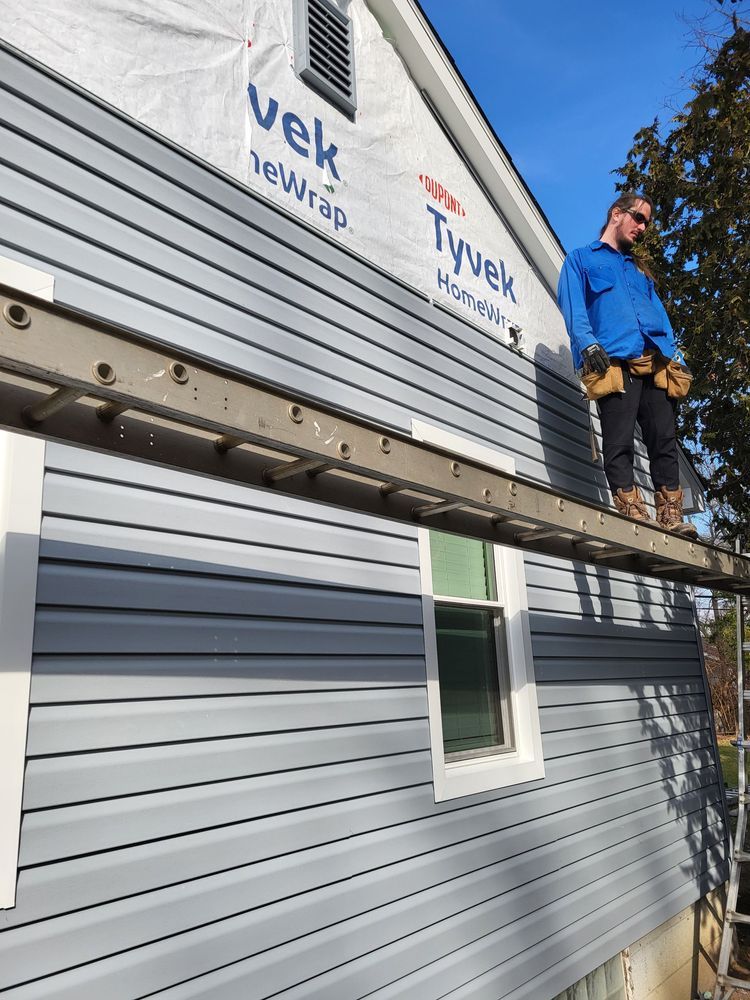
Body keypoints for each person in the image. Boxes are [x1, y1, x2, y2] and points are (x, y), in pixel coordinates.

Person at [557, 192, 698, 538]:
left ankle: (671, 516)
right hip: (613, 364)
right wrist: (587, 343)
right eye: (638, 217)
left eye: (647, 222)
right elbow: (573, 306)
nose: (642, 226)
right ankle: (634, 510)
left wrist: (675, 354)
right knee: (618, 442)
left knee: (664, 440)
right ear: (616, 214)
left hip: (656, 361)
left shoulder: (638, 269)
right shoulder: (581, 260)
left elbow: (661, 316)